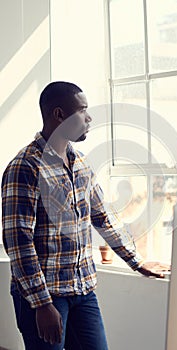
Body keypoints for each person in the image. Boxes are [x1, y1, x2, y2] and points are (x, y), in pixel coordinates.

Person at [1, 81, 166, 350]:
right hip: (44, 296)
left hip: (83, 290)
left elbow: (103, 217)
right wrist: (42, 303)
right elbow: (18, 242)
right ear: (59, 115)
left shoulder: (81, 163)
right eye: (83, 110)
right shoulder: (25, 166)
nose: (89, 118)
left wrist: (137, 262)